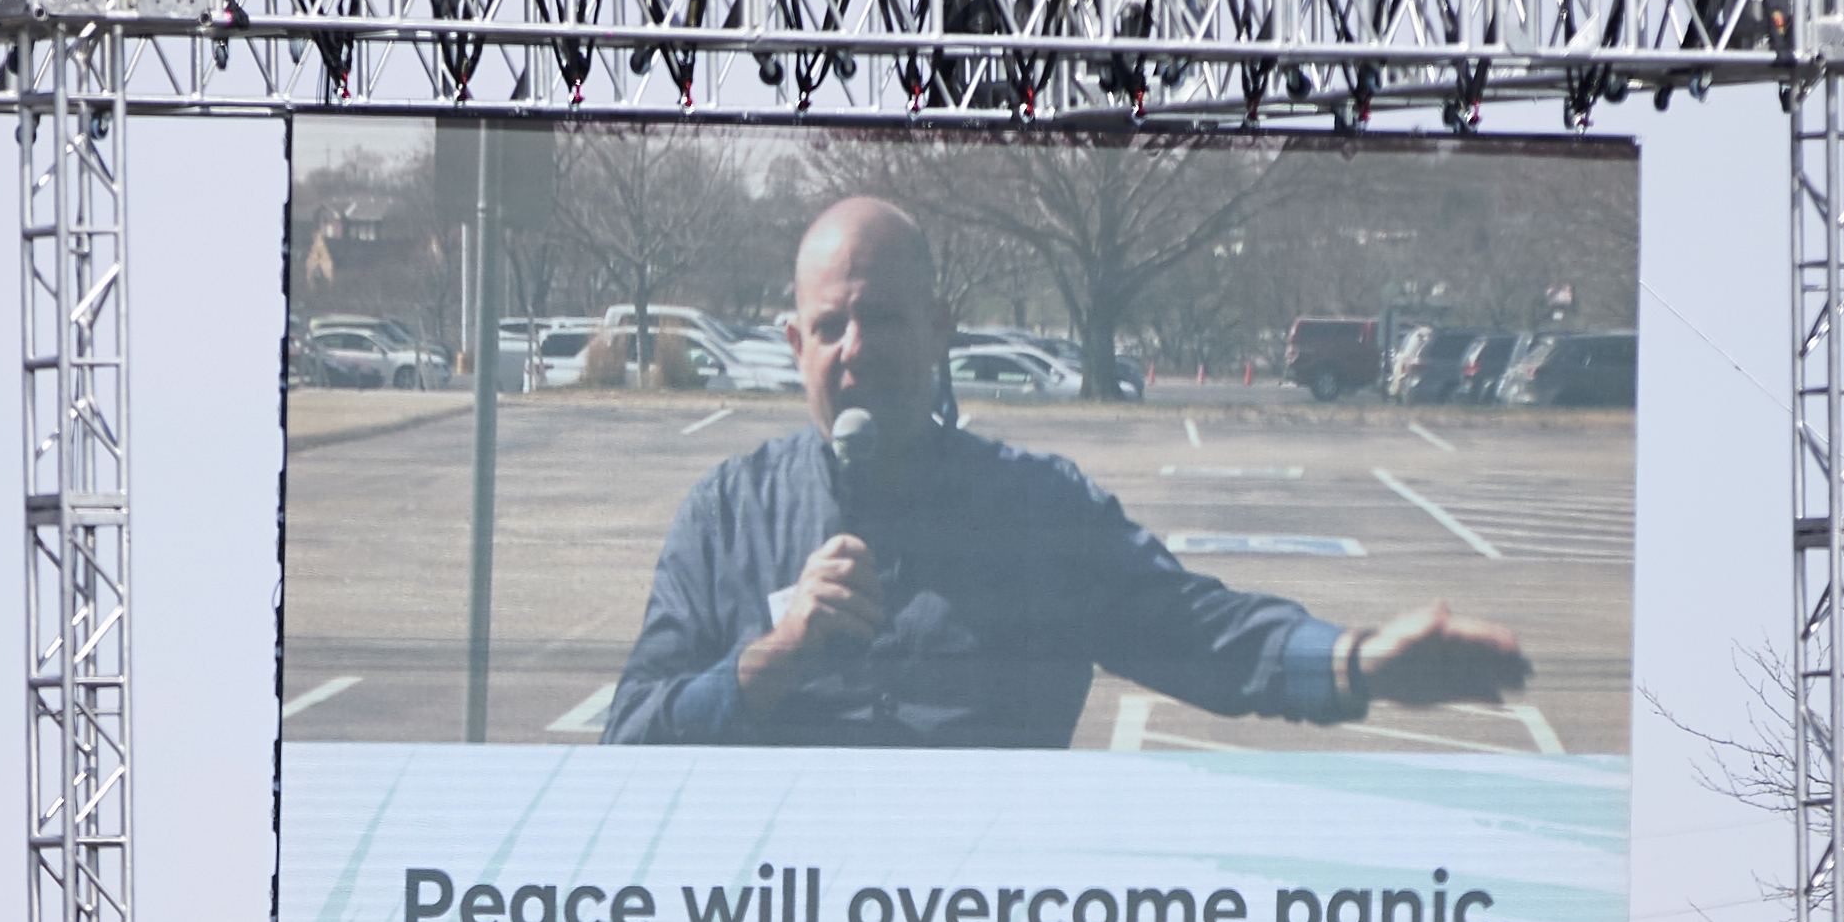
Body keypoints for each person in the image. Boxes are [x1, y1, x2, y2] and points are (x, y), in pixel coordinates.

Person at [604, 198, 1530, 748]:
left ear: (939, 327)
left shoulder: (1039, 514)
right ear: (793, 342)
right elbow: (625, 745)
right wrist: (767, 663)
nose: (857, 349)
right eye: (832, 326)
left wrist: (1354, 664)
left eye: (883, 320)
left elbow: (1200, 633)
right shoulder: (724, 519)